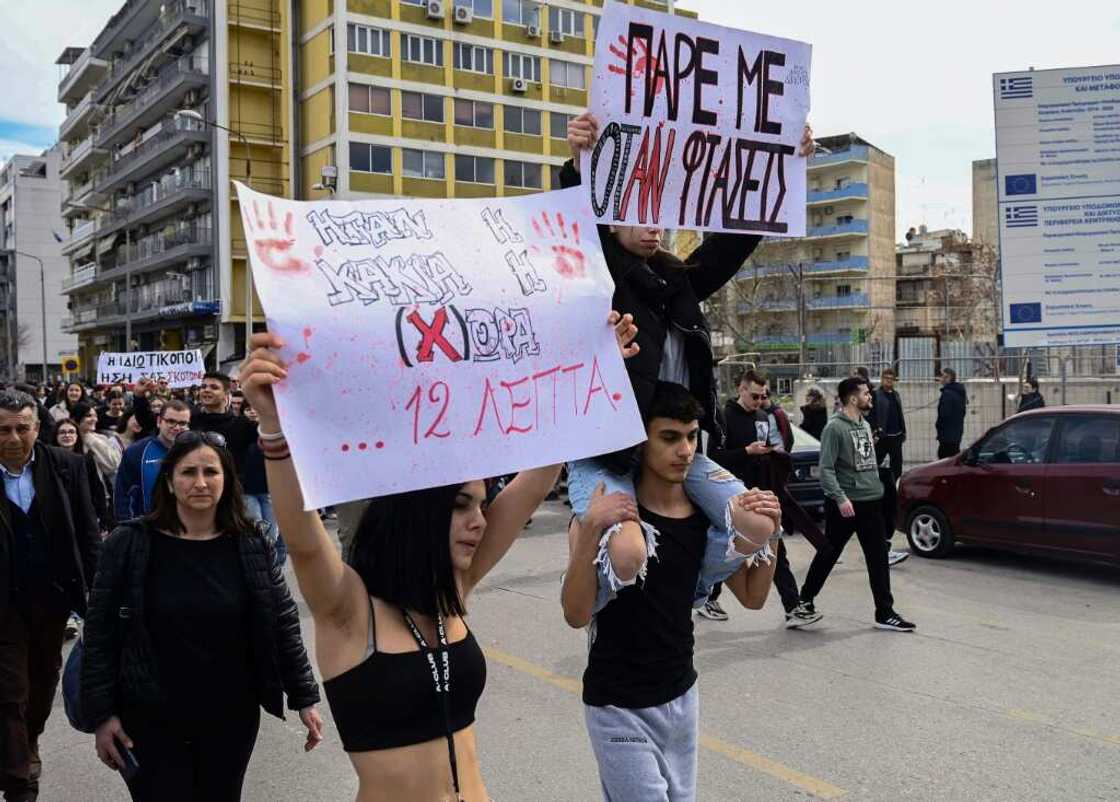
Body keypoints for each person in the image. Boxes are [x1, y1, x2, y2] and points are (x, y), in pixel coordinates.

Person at [238, 325, 612, 802]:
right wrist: (274, 427)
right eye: (460, 505)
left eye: (482, 505)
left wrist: (590, 363)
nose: (480, 521)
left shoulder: (451, 590)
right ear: (416, 514)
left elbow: (537, 479)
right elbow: (305, 541)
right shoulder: (349, 611)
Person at [560, 111, 814, 610]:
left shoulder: (678, 282)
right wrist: (578, 164)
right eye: (640, 215)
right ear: (610, 218)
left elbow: (730, 245)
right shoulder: (599, 273)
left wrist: (782, 161)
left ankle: (693, 590)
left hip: (677, 446)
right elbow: (575, 228)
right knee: (628, 553)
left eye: (660, 215)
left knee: (758, 522)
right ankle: (606, 607)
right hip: (609, 453)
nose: (654, 227)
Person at [561, 382, 781, 801]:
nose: (685, 450)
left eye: (692, 437)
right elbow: (575, 614)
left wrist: (774, 529)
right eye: (669, 437)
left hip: (681, 698)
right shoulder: (610, 521)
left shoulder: (704, 519)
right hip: (618, 706)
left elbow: (753, 597)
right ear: (640, 442)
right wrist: (588, 530)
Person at [81, 431, 324, 801]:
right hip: (148, 715)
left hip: (230, 713)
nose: (200, 482)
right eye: (188, 472)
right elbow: (100, 633)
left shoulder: (251, 541)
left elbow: (281, 621)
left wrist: (304, 697)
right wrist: (102, 715)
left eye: (210, 472)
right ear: (169, 481)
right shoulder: (129, 543)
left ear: (227, 480)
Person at [0, 389, 100, 802]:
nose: (13, 438)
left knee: (42, 683)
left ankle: (28, 741)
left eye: (22, 428)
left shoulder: (67, 466)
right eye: (3, 429)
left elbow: (87, 534)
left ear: (37, 428)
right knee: (9, 690)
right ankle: (19, 781)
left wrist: (98, 596)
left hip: (54, 599)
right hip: (4, 605)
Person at [794, 378, 915, 632]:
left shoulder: (864, 424)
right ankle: (804, 601)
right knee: (829, 553)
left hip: (871, 502)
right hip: (846, 505)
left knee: (878, 558)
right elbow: (826, 469)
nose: (870, 396)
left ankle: (885, 612)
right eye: (865, 393)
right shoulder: (834, 428)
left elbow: (864, 462)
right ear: (852, 398)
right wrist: (840, 498)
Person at [708, 371, 825, 628]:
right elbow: (713, 458)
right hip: (732, 497)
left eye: (763, 396)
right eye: (754, 396)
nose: (759, 401)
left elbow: (773, 445)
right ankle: (709, 597)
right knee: (727, 549)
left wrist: (773, 454)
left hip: (761, 495)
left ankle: (792, 607)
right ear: (741, 389)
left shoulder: (763, 416)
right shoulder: (725, 417)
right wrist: (745, 452)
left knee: (775, 550)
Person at [114, 400, 191, 522]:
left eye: (182, 423)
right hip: (147, 526)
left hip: (187, 524)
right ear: (159, 421)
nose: (177, 427)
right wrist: (127, 525)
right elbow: (123, 493)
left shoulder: (194, 452)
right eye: (171, 421)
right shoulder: (137, 451)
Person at [240, 401, 285, 568]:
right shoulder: (239, 431)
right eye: (248, 409)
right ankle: (261, 565)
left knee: (272, 532)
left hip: (269, 490)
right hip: (246, 491)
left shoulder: (272, 432)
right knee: (256, 530)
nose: (252, 412)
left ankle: (272, 566)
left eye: (255, 408)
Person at [871, 368, 909, 566]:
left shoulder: (896, 395)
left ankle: (892, 487)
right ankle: (878, 487)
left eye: (891, 378)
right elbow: (874, 415)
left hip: (896, 436)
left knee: (896, 466)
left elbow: (900, 414)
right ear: (882, 379)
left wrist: (903, 431)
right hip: (883, 437)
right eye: (886, 378)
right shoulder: (877, 395)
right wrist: (877, 431)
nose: (888, 381)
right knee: (877, 463)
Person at [191, 372, 257, 477]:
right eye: (203, 386)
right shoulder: (190, 420)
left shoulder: (242, 424)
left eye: (214, 387)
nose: (206, 390)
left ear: (226, 395)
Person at [53, 419, 113, 535]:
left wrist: (103, 520)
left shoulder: (87, 460)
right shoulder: (48, 460)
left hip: (84, 516)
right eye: (62, 432)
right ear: (56, 436)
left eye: (71, 432)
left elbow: (97, 490)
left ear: (77, 436)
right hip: (58, 517)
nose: (67, 435)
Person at [72, 402, 122, 514]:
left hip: (98, 498)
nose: (94, 419)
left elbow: (113, 464)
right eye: (89, 416)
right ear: (76, 418)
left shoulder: (100, 438)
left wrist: (89, 438)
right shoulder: (68, 439)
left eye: (95, 416)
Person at [935, 368, 967, 459]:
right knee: (954, 458)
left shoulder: (947, 394)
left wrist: (938, 426)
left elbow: (943, 415)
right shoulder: (959, 392)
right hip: (956, 433)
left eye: (942, 376)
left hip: (947, 436)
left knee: (945, 460)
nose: (940, 378)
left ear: (948, 378)